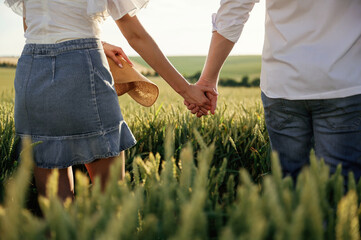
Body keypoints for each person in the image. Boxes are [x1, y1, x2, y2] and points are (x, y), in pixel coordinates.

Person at [5, 0, 217, 201]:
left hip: (31, 71)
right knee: (110, 201)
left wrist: (99, 43)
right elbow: (135, 34)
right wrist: (186, 90)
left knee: (55, 206)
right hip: (82, 66)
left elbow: (31, 25)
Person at [186, 0, 361, 181]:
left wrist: (207, 79)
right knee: (344, 186)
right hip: (345, 80)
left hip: (282, 83)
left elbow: (235, 8)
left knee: (290, 182)